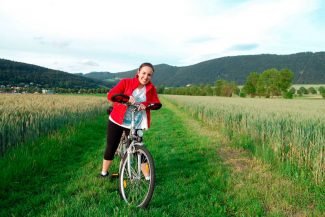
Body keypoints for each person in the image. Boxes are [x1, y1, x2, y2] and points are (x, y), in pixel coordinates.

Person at [100, 62, 161, 178]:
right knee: (111, 146)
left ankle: (148, 177)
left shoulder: (151, 88)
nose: (146, 77)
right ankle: (104, 172)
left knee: (139, 147)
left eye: (149, 75)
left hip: (135, 123)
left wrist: (146, 104)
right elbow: (111, 95)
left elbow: (156, 103)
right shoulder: (126, 82)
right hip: (117, 120)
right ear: (138, 72)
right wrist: (127, 98)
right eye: (143, 73)